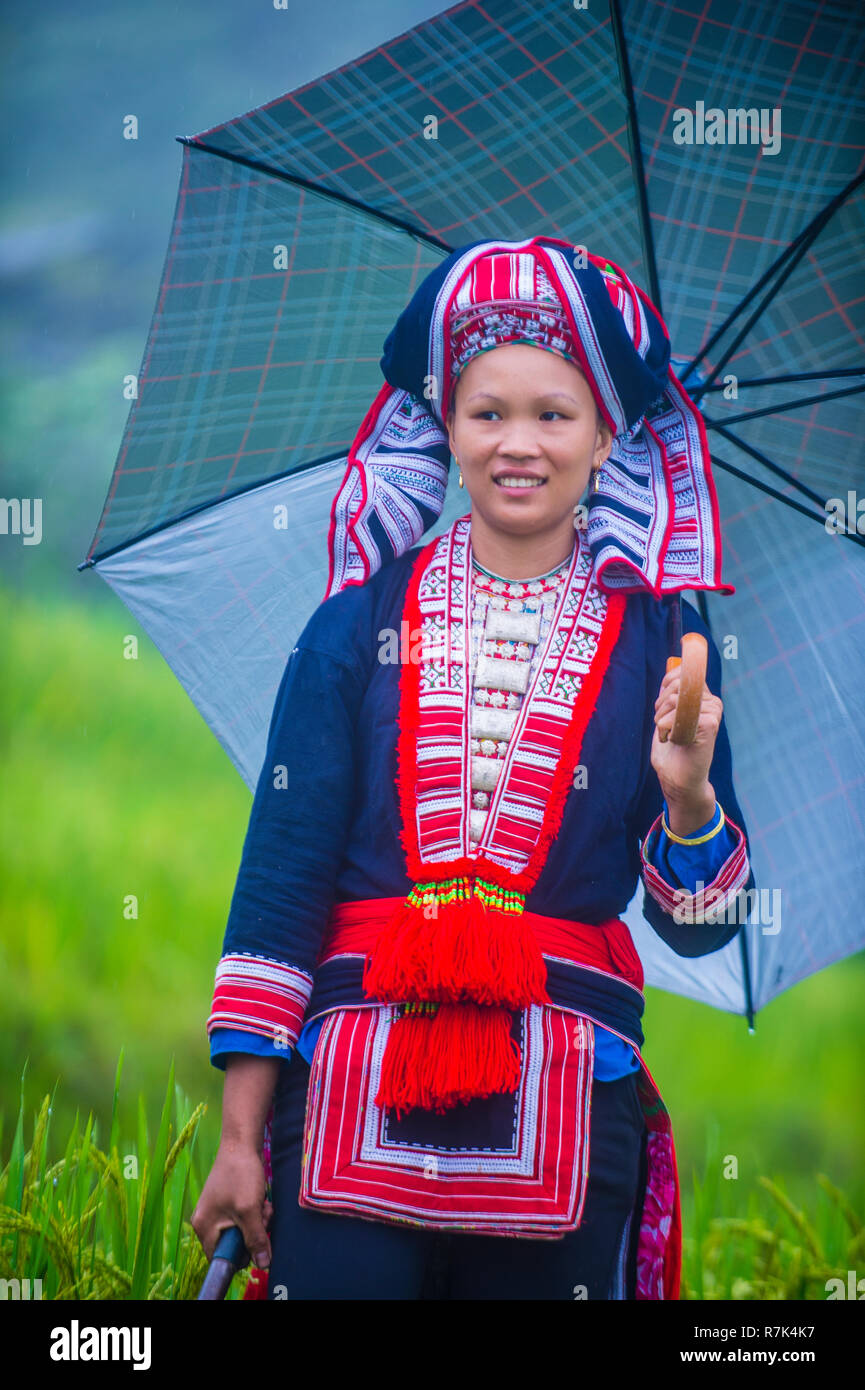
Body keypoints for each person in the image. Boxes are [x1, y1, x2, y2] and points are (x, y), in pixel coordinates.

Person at [191, 236, 753, 1300]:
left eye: (555, 414)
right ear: (444, 427)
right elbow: (280, 880)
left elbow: (701, 921)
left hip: (573, 1106)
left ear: (605, 438)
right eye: (487, 413)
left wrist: (687, 797)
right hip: (346, 1094)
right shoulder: (356, 622)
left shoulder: (664, 640)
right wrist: (238, 1137)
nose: (518, 444)